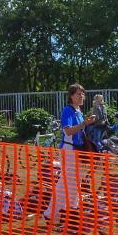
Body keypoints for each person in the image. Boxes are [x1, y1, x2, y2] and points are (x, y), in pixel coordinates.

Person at [43, 84, 96, 227]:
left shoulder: (78, 111)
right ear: (71, 96)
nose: (82, 96)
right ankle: (50, 214)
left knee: (75, 183)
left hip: (77, 150)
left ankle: (71, 212)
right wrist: (84, 123)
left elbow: (79, 131)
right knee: (66, 183)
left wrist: (86, 124)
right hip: (69, 150)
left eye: (83, 93)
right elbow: (68, 131)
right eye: (78, 94)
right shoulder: (68, 110)